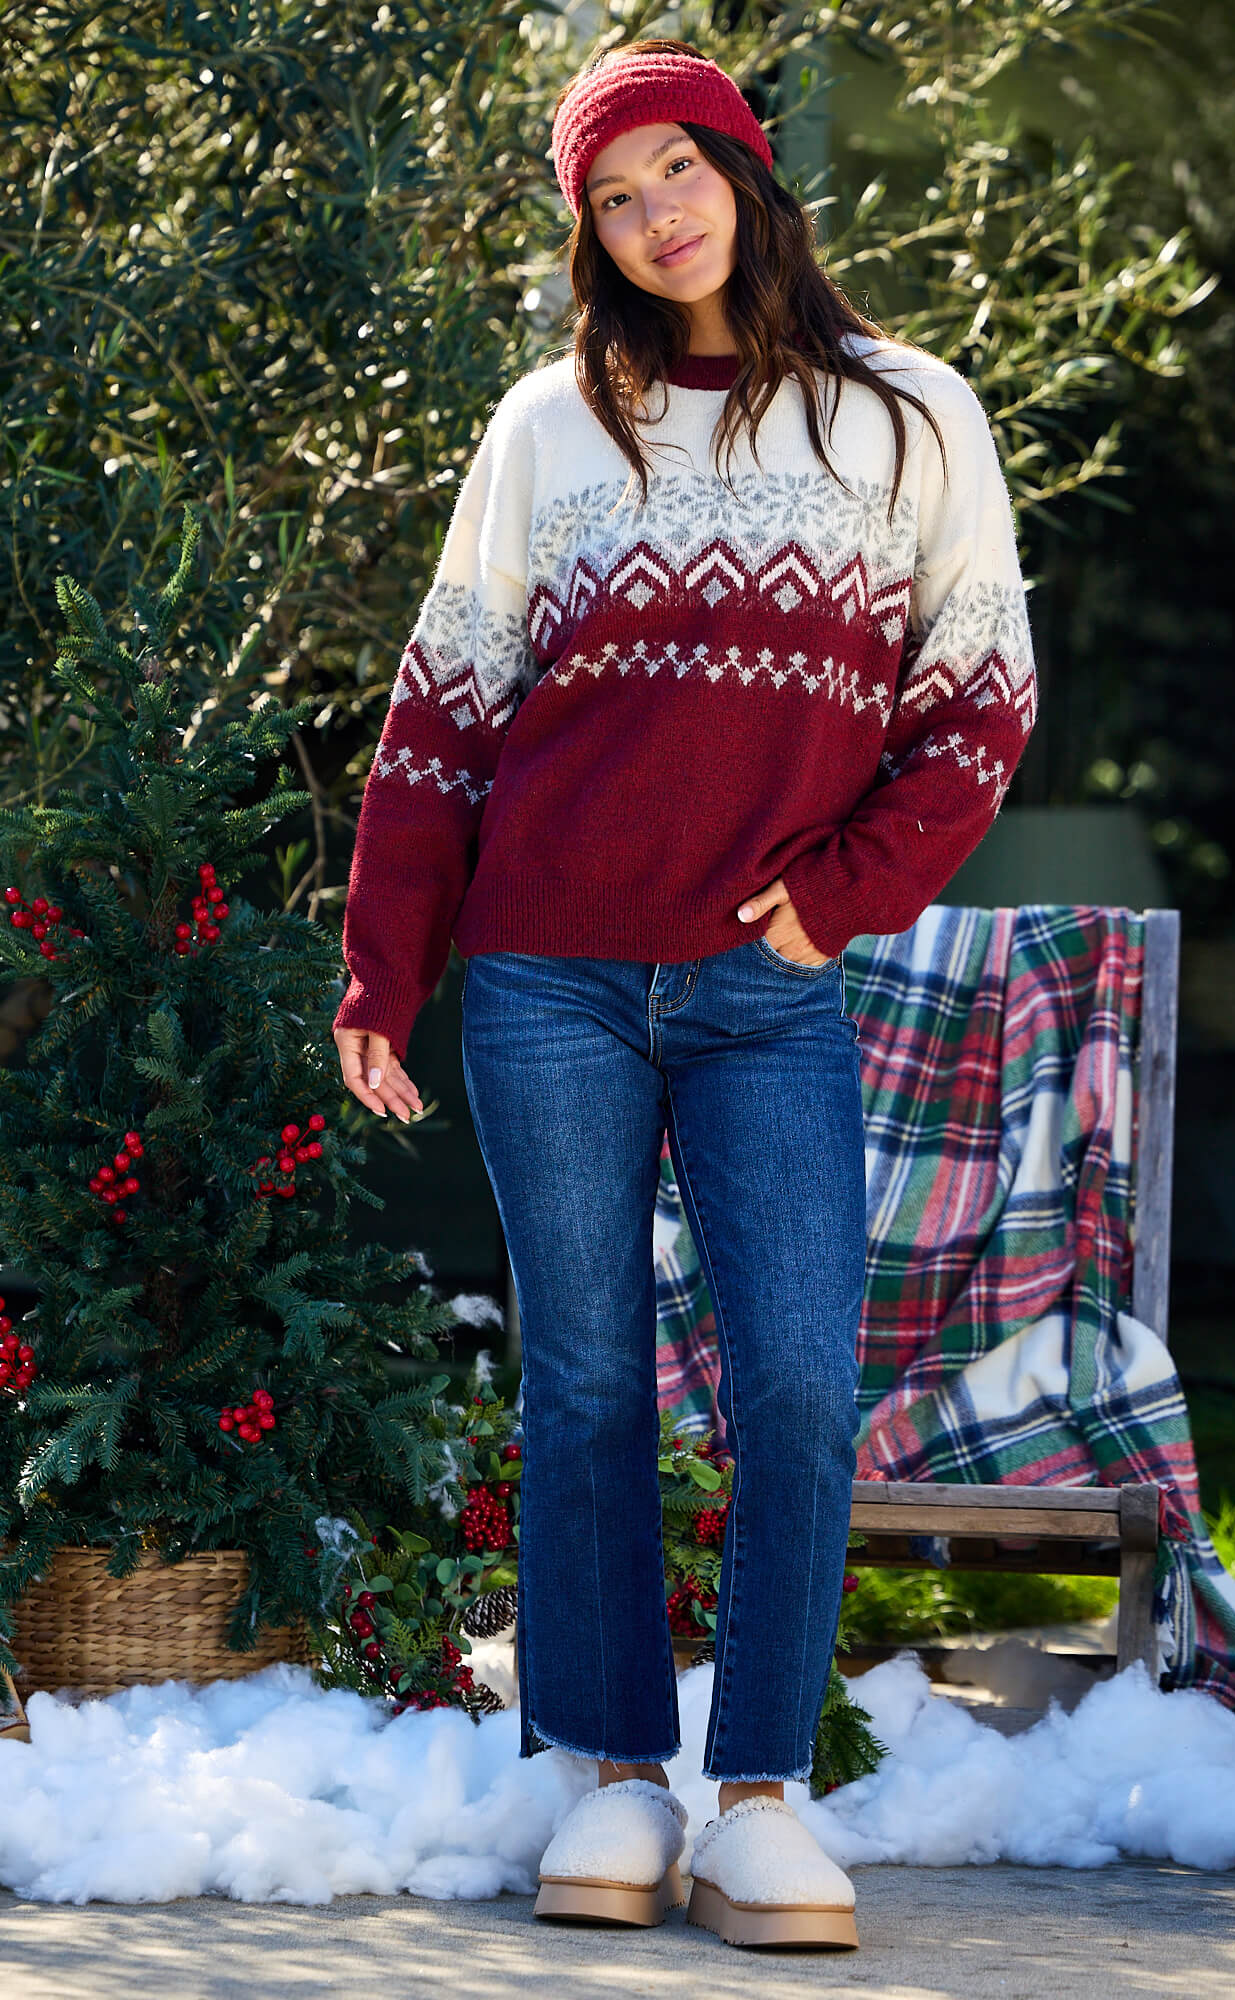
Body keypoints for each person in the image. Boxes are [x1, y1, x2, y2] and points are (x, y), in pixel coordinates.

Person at [332, 36, 1036, 1952]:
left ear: (744, 170)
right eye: (614, 196)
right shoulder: (549, 428)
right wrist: (387, 959)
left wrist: (836, 902)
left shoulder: (908, 417)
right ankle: (613, 1777)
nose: (656, 216)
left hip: (763, 991)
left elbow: (978, 704)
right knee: (581, 1379)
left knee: (797, 1378)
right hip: (546, 979)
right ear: (590, 233)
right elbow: (444, 714)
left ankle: (761, 1802)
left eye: (678, 170)